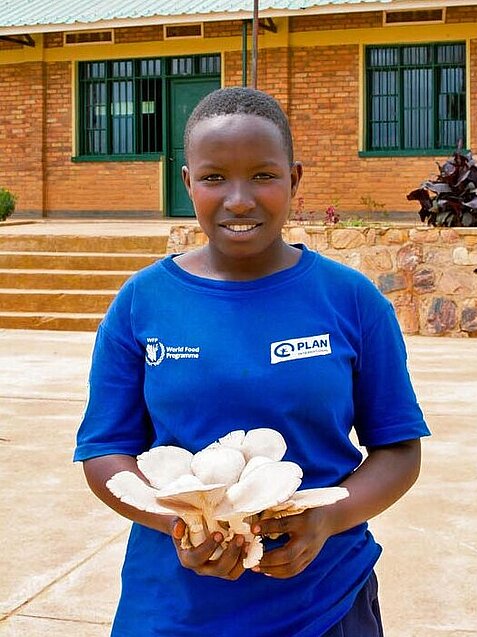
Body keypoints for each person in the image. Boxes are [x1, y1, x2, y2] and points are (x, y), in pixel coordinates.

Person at [74, 86, 430, 637]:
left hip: (325, 604)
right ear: (188, 182)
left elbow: (399, 448)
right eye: (215, 177)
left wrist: (327, 520)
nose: (239, 199)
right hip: (172, 610)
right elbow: (104, 453)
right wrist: (186, 525)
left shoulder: (351, 300)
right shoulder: (143, 302)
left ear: (295, 179)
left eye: (263, 174)